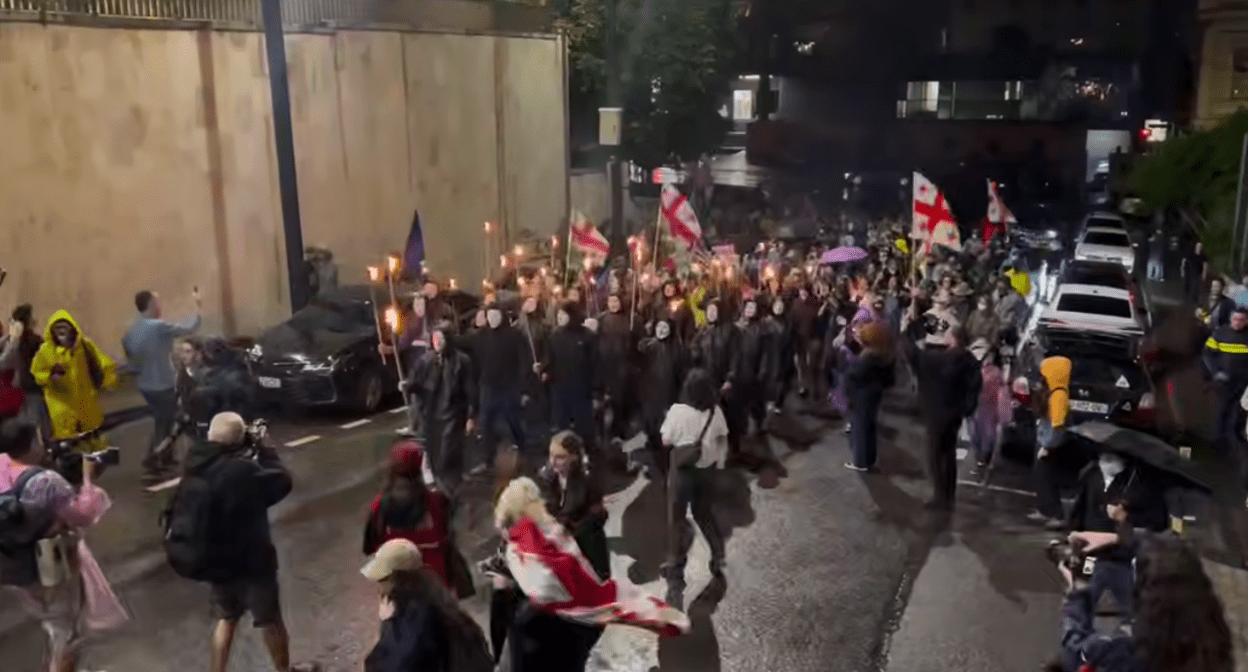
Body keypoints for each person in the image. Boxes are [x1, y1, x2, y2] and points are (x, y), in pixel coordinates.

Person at [179, 412, 316, 672]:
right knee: (269, 621)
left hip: (216, 564)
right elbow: (281, 482)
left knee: (226, 619)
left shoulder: (194, 464)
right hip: (252, 563)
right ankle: (283, 670)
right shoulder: (241, 471)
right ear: (239, 440)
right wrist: (266, 449)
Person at [0, 421, 126, 672]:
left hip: (11, 565)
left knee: (49, 620)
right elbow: (82, 514)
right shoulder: (46, 481)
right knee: (64, 628)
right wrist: (88, 476)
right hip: (48, 563)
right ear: (32, 444)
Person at [1055, 525, 1233, 672]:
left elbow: (1074, 644)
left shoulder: (1123, 655)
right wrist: (1119, 539)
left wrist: (1077, 590)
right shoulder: (1215, 652)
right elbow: (1178, 565)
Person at [361, 539, 492, 672]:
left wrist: (387, 623)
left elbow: (394, 666)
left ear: (398, 578)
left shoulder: (417, 612)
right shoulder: (431, 592)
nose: (378, 584)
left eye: (383, 578)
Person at [659, 368, 730, 610]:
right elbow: (722, 441)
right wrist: (717, 465)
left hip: (682, 474)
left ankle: (675, 579)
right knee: (704, 515)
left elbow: (665, 441)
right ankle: (718, 555)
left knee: (676, 521)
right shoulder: (716, 412)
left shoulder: (678, 411)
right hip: (707, 472)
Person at [122, 289, 202, 478]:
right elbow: (188, 328)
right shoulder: (158, 326)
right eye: (157, 303)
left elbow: (131, 356)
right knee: (166, 423)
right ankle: (153, 459)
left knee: (163, 420)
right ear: (150, 305)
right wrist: (198, 308)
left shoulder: (133, 329)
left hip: (146, 385)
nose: (159, 306)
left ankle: (165, 457)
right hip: (162, 384)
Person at [901, 325, 981, 511]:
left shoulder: (941, 360)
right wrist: (965, 410)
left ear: (952, 339)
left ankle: (939, 496)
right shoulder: (970, 361)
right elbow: (974, 388)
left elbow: (914, 356)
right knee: (949, 454)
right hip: (955, 415)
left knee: (935, 455)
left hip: (937, 414)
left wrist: (908, 330)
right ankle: (948, 493)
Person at [363, 441, 459, 594]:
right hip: (435, 577)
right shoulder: (436, 499)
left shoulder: (380, 504)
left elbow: (369, 544)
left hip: (397, 576)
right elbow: (447, 536)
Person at [30, 311, 118, 455]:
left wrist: (108, 381)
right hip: (62, 408)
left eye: (64, 328)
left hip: (86, 406)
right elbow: (36, 372)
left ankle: (91, 470)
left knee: (93, 447)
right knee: (69, 450)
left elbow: (104, 364)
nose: (61, 332)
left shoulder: (85, 346)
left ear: (72, 328)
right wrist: (50, 376)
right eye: (57, 329)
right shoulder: (46, 351)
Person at [405, 325, 475, 493]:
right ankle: (440, 484)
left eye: (440, 339)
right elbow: (417, 383)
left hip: (453, 414)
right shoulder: (425, 361)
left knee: (448, 452)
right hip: (431, 415)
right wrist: (407, 386)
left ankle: (450, 485)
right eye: (434, 339)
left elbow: (471, 390)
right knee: (433, 451)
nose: (437, 342)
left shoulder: (462, 361)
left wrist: (471, 416)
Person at [535, 431, 610, 580]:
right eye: (551, 456)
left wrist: (562, 528)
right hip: (563, 541)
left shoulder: (587, 480)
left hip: (587, 543)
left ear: (574, 457)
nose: (553, 462)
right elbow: (547, 505)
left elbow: (581, 512)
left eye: (560, 457)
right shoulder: (549, 477)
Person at [473, 304, 529, 467]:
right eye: (489, 316)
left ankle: (522, 450)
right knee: (486, 423)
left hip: (509, 386)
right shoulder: (482, 335)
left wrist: (523, 387)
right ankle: (488, 458)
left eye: (495, 315)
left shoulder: (514, 335)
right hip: (488, 386)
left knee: (513, 421)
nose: (492, 319)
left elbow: (523, 362)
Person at [542, 302, 598, 460]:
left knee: (584, 426)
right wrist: (544, 370)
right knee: (561, 425)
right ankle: (561, 456)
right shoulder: (555, 335)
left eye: (563, 315)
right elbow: (549, 359)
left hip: (581, 389)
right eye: (559, 315)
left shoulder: (588, 336)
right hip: (560, 388)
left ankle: (586, 456)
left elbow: (595, 363)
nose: (560, 318)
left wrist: (596, 390)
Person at [638, 318, 689, 478]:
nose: (661, 330)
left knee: (666, 435)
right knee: (651, 432)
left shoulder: (678, 349)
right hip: (649, 397)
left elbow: (682, 375)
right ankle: (655, 464)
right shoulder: (648, 346)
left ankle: (667, 469)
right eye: (659, 326)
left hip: (668, 397)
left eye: (665, 327)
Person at [1030, 355, 1073, 528]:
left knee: (1047, 479)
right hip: (1044, 441)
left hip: (1050, 445)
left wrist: (1046, 447)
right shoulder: (1053, 393)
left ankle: (1056, 514)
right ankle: (1044, 510)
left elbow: (1057, 427)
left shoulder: (1058, 396)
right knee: (1041, 478)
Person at [844, 322, 893, 472]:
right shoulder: (881, 354)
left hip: (862, 396)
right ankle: (869, 460)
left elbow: (853, 375)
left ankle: (861, 462)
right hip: (873, 395)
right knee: (869, 427)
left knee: (861, 429)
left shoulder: (868, 359)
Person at [1204, 306, 1248, 450]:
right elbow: (1208, 354)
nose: (1237, 323)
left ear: (1246, 321)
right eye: (1235, 319)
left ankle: (1235, 438)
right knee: (1222, 410)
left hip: (1243, 381)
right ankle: (1219, 439)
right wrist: (1216, 372)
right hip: (1223, 380)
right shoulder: (1219, 333)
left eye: (1241, 320)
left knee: (1238, 411)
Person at [0, 305, 47, 436]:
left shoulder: (9, 343)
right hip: (30, 392)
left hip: (19, 395)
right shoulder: (35, 342)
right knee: (35, 428)